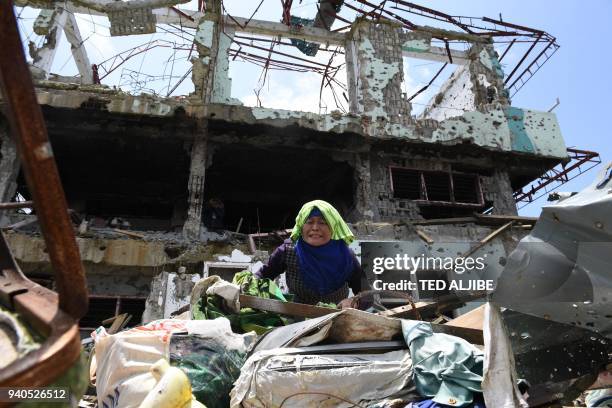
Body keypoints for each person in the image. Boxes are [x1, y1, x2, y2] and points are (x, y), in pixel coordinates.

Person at [254, 199, 370, 307]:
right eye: (309, 222)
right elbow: (263, 275)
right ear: (301, 226)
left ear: (333, 227)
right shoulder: (288, 250)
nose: (315, 227)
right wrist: (246, 285)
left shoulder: (346, 256)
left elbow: (368, 295)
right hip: (297, 322)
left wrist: (354, 302)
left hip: (335, 320)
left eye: (323, 223)